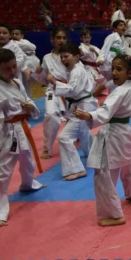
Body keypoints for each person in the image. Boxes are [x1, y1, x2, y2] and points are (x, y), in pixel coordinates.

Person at [74, 55, 131, 226]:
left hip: (113, 134)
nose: (114, 72)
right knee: (129, 163)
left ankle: (114, 214)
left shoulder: (120, 91)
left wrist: (89, 115)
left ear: (129, 73)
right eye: (113, 68)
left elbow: (105, 111)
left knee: (103, 173)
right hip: (125, 132)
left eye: (119, 69)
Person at [0, 49, 44, 228]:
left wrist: (29, 105)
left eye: (14, 66)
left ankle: (28, 183)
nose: (12, 71)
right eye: (6, 69)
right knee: (3, 171)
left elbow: (26, 99)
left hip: (21, 127)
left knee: (27, 160)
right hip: (10, 132)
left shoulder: (17, 81)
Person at [50, 43, 95, 181]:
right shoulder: (75, 69)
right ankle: (96, 154)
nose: (63, 59)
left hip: (82, 107)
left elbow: (73, 90)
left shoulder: (77, 71)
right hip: (82, 105)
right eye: (61, 57)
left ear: (76, 57)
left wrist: (55, 83)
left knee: (64, 138)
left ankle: (76, 169)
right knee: (83, 132)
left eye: (66, 56)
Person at [33, 27, 69, 159]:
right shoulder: (47, 58)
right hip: (52, 90)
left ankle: (78, 137)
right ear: (52, 40)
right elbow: (42, 80)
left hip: (69, 89)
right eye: (58, 38)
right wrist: (39, 72)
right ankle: (47, 148)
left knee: (76, 118)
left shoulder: (71, 55)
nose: (61, 40)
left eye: (64, 38)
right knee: (50, 114)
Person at [10, 26, 39, 97]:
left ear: (22, 35)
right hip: (21, 66)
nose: (14, 35)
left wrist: (16, 44)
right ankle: (26, 99)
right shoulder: (10, 44)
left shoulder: (25, 41)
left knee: (26, 84)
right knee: (23, 85)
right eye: (13, 34)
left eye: (17, 34)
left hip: (32, 63)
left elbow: (33, 47)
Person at [79, 28, 107, 97]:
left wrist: (94, 51)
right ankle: (90, 94)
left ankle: (96, 92)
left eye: (88, 37)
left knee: (105, 78)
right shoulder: (81, 47)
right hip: (87, 68)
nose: (87, 39)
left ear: (90, 38)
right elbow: (81, 54)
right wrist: (80, 52)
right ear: (81, 38)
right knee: (91, 82)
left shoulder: (94, 47)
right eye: (85, 38)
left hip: (95, 67)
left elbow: (101, 55)